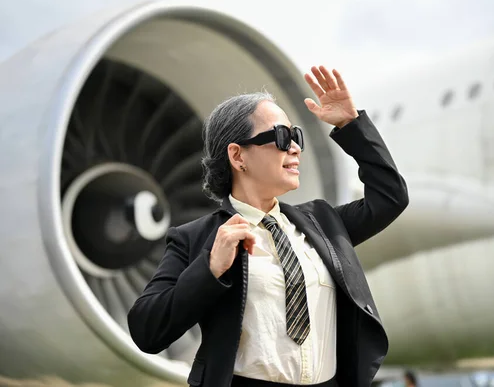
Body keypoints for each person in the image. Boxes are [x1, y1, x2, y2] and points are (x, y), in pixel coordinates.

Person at [127, 65, 409, 387]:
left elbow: (391, 197)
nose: (295, 148)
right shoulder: (198, 239)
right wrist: (209, 268)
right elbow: (146, 330)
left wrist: (350, 124)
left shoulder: (323, 223)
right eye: (281, 136)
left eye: (296, 137)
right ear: (237, 156)